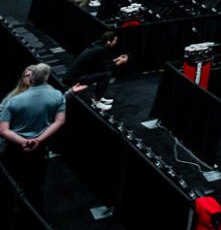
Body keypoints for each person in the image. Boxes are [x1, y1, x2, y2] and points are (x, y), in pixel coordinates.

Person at [0, 65, 66, 208]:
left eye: (32, 75)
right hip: (15, 146)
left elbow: (57, 103)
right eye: (27, 75)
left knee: (35, 183)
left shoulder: (48, 95)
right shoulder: (11, 99)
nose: (30, 78)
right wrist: (30, 141)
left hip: (34, 147)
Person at [67, 31, 127, 106]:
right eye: (115, 40)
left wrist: (115, 60)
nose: (115, 42)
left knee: (105, 73)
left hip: (77, 74)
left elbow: (100, 63)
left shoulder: (97, 46)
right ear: (108, 41)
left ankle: (98, 97)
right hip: (75, 78)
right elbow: (103, 68)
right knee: (106, 74)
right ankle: (96, 101)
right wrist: (119, 63)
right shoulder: (99, 50)